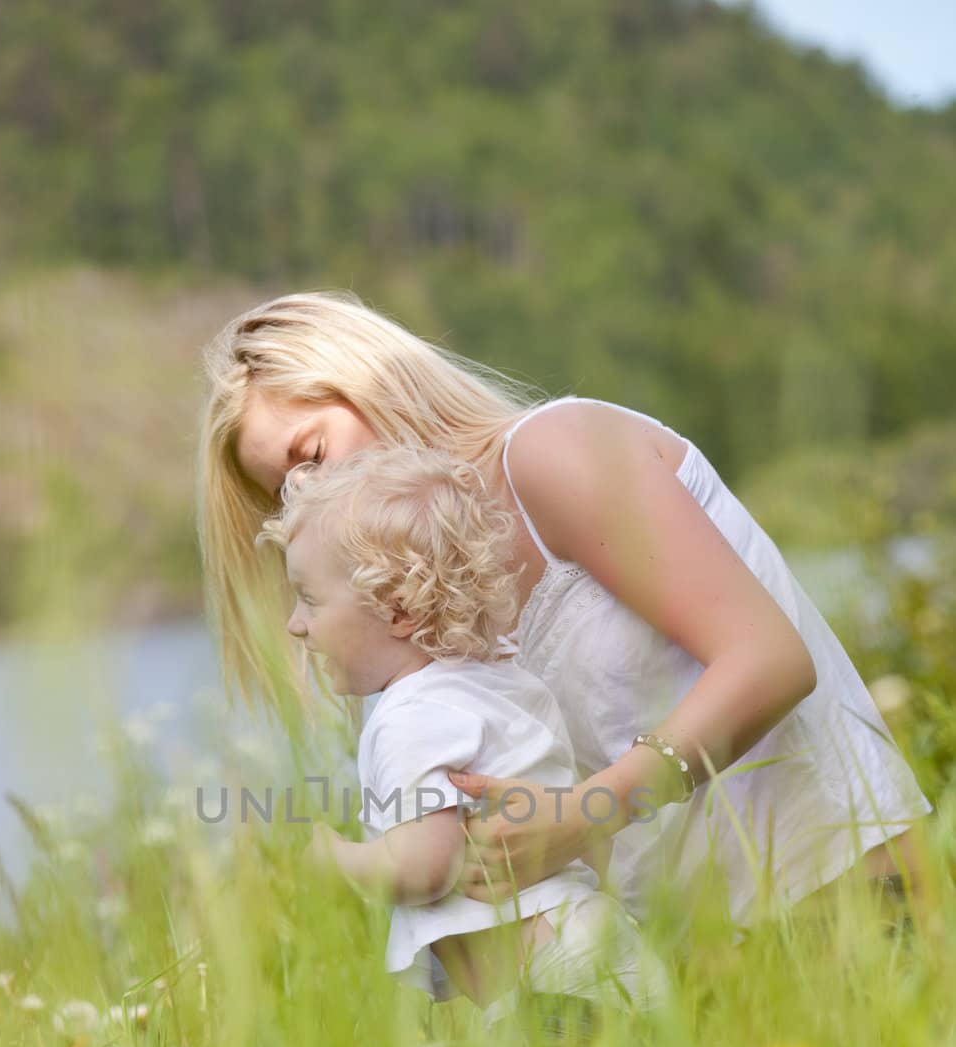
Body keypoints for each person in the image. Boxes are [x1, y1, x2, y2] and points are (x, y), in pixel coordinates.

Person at [199, 290, 933, 936]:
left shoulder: (555, 451)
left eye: (311, 453)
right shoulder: (406, 612)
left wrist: (587, 815)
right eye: (282, 491)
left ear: (371, 383)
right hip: (696, 970)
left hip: (848, 905)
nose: (307, 494)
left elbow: (769, 661)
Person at [255, 443, 671, 1022]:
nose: (296, 625)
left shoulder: (411, 713)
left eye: (308, 599)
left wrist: (331, 859)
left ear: (397, 611)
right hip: (600, 958)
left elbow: (427, 866)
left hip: (559, 989)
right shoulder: (496, 686)